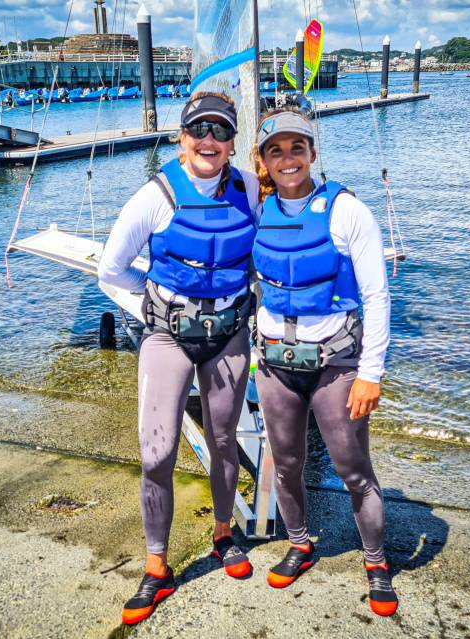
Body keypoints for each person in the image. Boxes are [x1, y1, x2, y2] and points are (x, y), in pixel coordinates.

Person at [98, 92, 260, 625]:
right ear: (181, 136)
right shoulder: (157, 194)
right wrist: (154, 295)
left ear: (234, 140)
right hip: (168, 337)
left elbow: (270, 249)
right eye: (199, 130)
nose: (209, 141)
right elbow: (111, 268)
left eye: (220, 131)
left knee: (222, 441)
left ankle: (222, 534)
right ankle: (157, 565)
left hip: (229, 336)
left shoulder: (250, 189)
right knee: (156, 454)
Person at [250, 109, 397, 616]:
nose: (287, 159)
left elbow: (377, 295)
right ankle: (301, 541)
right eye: (276, 150)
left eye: (297, 148)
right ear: (264, 161)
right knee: (286, 465)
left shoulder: (346, 211)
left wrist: (371, 373)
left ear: (313, 153)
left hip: (337, 365)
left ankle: (376, 562)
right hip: (274, 364)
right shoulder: (258, 208)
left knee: (354, 469)